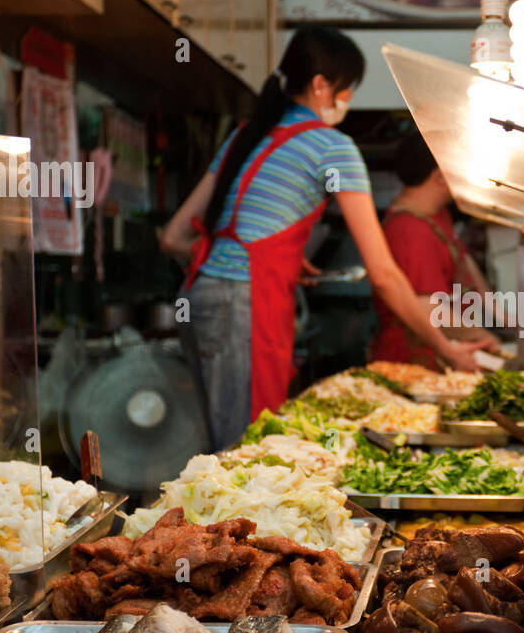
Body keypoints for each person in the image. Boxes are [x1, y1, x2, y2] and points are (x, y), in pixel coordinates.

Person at [161, 28, 483, 447]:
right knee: (245, 448)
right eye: (348, 90)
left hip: (200, 296)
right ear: (321, 86)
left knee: (225, 444)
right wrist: (447, 348)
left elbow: (173, 238)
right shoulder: (332, 147)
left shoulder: (246, 136)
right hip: (245, 305)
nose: (348, 100)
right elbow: (384, 273)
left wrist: (245, 258)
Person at [370, 132, 500, 368]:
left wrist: (502, 315)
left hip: (445, 350)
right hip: (412, 360)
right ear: (439, 174)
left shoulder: (436, 213)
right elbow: (428, 306)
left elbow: (463, 259)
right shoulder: (409, 231)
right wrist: (481, 337)